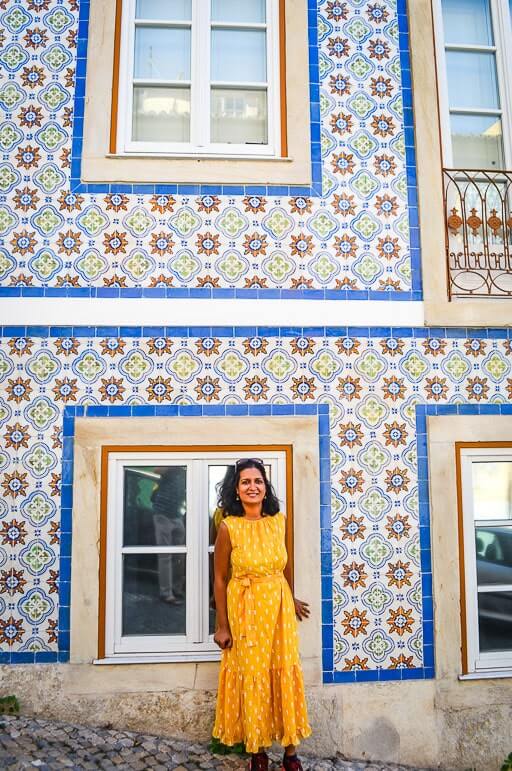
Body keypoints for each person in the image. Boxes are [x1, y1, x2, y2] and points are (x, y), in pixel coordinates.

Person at [212, 458, 312, 771]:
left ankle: (291, 753)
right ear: (236, 490)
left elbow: (286, 563)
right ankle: (258, 750)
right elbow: (219, 579)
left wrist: (291, 596)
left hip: (279, 608)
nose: (253, 487)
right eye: (246, 482)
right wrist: (221, 626)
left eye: (258, 481)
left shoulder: (279, 521)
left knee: (284, 670)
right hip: (246, 612)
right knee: (254, 676)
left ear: (265, 488)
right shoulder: (229, 527)